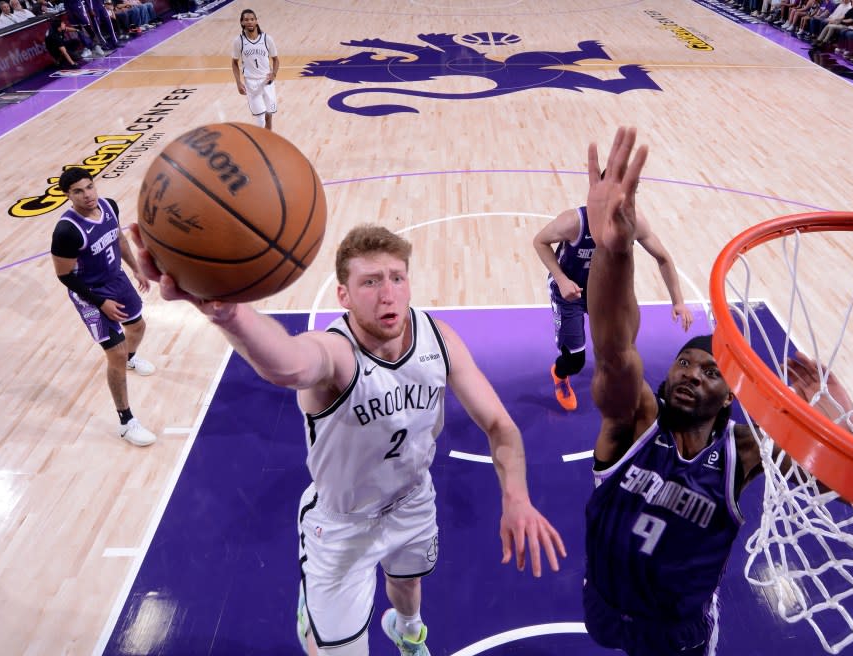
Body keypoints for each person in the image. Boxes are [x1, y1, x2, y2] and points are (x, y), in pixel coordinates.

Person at [128, 223, 567, 656]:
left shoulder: (438, 338)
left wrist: (516, 497)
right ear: (344, 295)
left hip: (413, 500)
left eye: (397, 278)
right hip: (342, 523)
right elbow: (290, 365)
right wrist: (226, 312)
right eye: (370, 282)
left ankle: (407, 631)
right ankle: (313, 615)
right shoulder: (335, 355)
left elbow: (501, 426)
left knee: (408, 583)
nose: (387, 294)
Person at [580, 127, 853, 655]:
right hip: (604, 604)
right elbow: (614, 348)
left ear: (731, 397)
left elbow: (846, 490)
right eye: (684, 363)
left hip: (677, 629)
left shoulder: (744, 453)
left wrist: (837, 432)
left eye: (710, 372)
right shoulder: (633, 423)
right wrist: (612, 254)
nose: (690, 373)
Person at [534, 199, 693, 412]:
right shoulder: (574, 221)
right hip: (570, 292)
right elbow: (540, 241)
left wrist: (679, 302)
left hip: (604, 292)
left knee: (620, 344)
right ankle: (560, 374)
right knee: (575, 360)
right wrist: (561, 279)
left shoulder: (633, 223)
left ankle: (613, 377)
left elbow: (663, 257)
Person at [50, 168, 157, 447]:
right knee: (116, 354)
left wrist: (136, 269)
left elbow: (119, 239)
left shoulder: (109, 205)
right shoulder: (67, 231)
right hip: (90, 294)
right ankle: (126, 421)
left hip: (116, 280)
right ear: (67, 195)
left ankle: (132, 357)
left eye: (90, 187)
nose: (88, 195)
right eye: (78, 191)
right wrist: (101, 303)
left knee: (138, 326)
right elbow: (64, 275)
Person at [231, 8, 279, 130]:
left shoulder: (267, 39)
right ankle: (262, 140)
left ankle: (268, 138)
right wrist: (238, 82)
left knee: (269, 114)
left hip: (267, 81)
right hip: (251, 82)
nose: (249, 22)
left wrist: (274, 74)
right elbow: (234, 62)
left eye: (252, 19)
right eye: (246, 20)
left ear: (256, 21)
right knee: (260, 116)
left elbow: (276, 60)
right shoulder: (239, 41)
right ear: (242, 23)